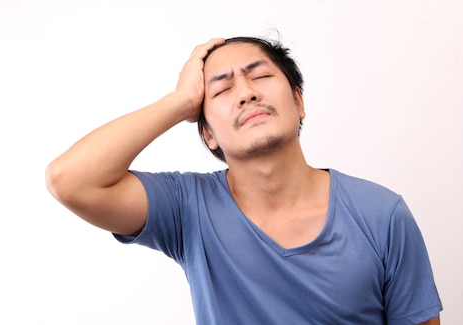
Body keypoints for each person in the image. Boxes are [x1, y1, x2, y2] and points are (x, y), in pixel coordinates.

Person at [45, 36, 443, 324]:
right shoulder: (188, 208)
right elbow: (70, 179)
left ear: (299, 101)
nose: (247, 94)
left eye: (260, 76)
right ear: (208, 135)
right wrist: (179, 102)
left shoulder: (381, 213)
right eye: (222, 88)